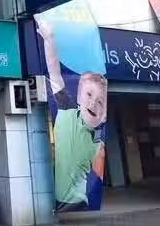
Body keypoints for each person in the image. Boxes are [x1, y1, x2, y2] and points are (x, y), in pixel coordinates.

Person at [37, 19, 107, 212]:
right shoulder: (67, 108)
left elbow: (99, 169)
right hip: (58, 197)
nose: (93, 103)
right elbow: (54, 72)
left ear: (103, 114)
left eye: (100, 102)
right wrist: (49, 40)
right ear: (78, 98)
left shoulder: (97, 140)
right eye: (89, 95)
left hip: (76, 199)